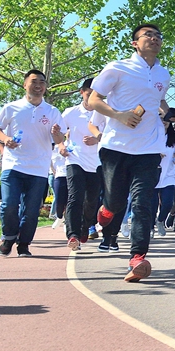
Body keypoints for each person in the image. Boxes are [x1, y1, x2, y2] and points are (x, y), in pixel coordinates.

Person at [87, 23, 171, 282]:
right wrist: (119, 115)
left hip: (149, 148)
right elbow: (93, 99)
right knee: (116, 201)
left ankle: (137, 258)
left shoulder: (164, 74)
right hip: (116, 146)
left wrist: (165, 114)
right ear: (135, 43)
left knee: (143, 203)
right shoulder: (117, 68)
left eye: (158, 36)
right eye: (149, 35)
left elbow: (158, 100)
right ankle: (107, 209)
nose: (155, 39)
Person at [0, 69, 65, 256]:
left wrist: (57, 134)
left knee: (31, 211)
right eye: (34, 81)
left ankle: (24, 244)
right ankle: (8, 237)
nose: (38, 85)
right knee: (9, 205)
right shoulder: (11, 107)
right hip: (13, 165)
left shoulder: (52, 112)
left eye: (42, 82)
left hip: (39, 168)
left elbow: (59, 139)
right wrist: (6, 139)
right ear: (25, 85)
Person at [60, 78, 108, 251]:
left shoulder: (104, 114)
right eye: (89, 94)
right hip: (75, 159)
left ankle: (84, 227)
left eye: (97, 95)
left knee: (92, 201)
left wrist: (97, 139)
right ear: (82, 92)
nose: (92, 97)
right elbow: (57, 130)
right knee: (75, 197)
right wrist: (61, 146)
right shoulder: (70, 113)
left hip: (96, 162)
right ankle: (72, 235)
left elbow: (111, 135)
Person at [156, 116, 175, 237]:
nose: (164, 122)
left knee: (168, 203)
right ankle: (149, 227)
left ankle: (160, 220)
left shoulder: (174, 136)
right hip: (152, 174)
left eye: (166, 119)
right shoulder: (151, 134)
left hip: (168, 175)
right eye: (161, 119)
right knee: (151, 205)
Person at [50, 148, 68, 227]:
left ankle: (67, 222)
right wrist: (53, 171)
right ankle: (60, 216)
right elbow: (49, 160)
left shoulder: (70, 144)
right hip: (59, 176)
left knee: (70, 200)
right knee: (58, 200)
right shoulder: (54, 147)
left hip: (71, 175)